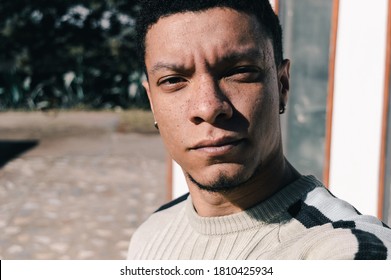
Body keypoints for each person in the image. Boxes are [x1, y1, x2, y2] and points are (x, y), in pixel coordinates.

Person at [127, 0, 391, 259]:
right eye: (173, 80)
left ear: (282, 85)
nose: (208, 107)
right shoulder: (150, 233)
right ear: (152, 101)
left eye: (240, 72)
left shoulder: (350, 248)